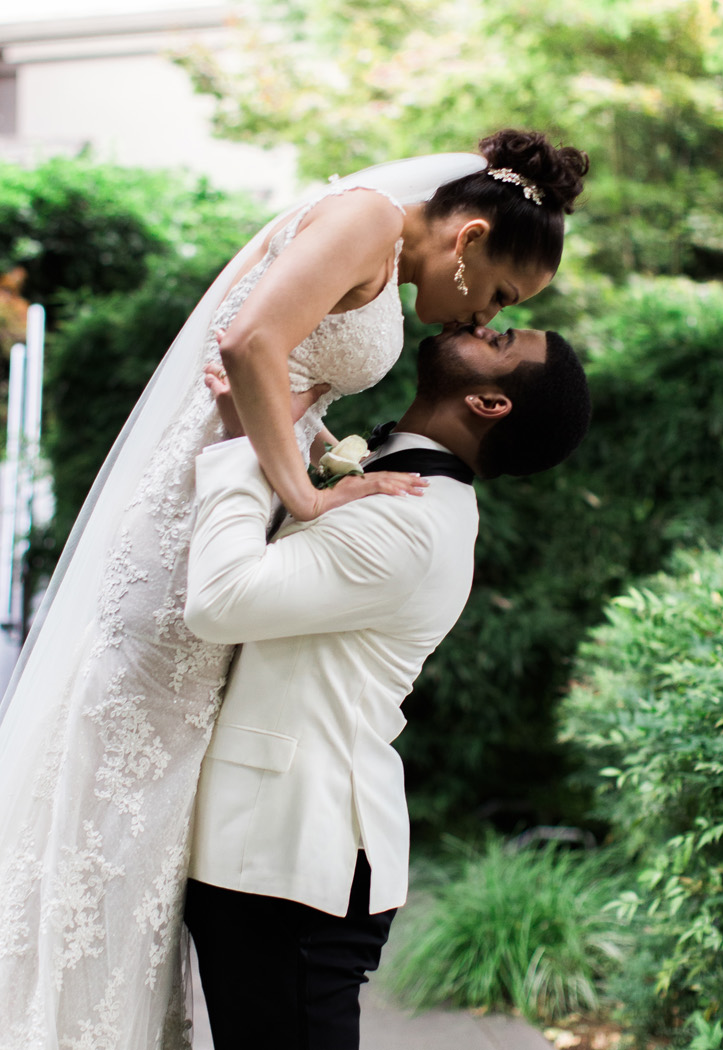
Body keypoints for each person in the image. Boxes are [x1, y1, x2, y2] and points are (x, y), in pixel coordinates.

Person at [0, 130, 587, 1049]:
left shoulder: (418, 509)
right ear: (470, 237)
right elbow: (248, 344)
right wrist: (306, 481)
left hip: (223, 515)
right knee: (110, 799)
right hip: (202, 513)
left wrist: (296, 459)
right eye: (503, 300)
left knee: (123, 819)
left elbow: (272, 379)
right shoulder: (365, 223)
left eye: (502, 319)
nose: (478, 319)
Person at [183, 324, 589, 1050]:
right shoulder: (403, 485)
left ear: (490, 402)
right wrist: (296, 447)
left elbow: (221, 601)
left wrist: (242, 450)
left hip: (292, 859)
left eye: (501, 338)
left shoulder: (409, 518)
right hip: (279, 855)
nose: (477, 322)